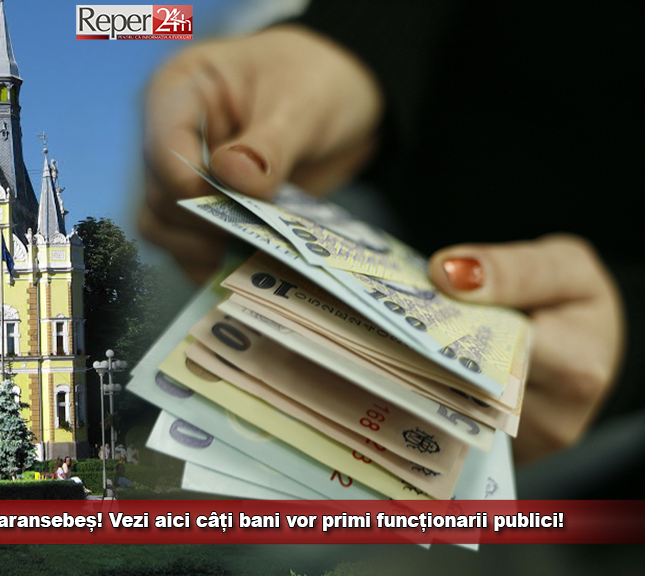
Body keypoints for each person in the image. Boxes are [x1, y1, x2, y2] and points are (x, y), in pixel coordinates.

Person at [138, 1, 638, 468]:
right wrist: (350, 43)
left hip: (561, 368)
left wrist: (634, 334)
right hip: (355, 175)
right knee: (137, 336)